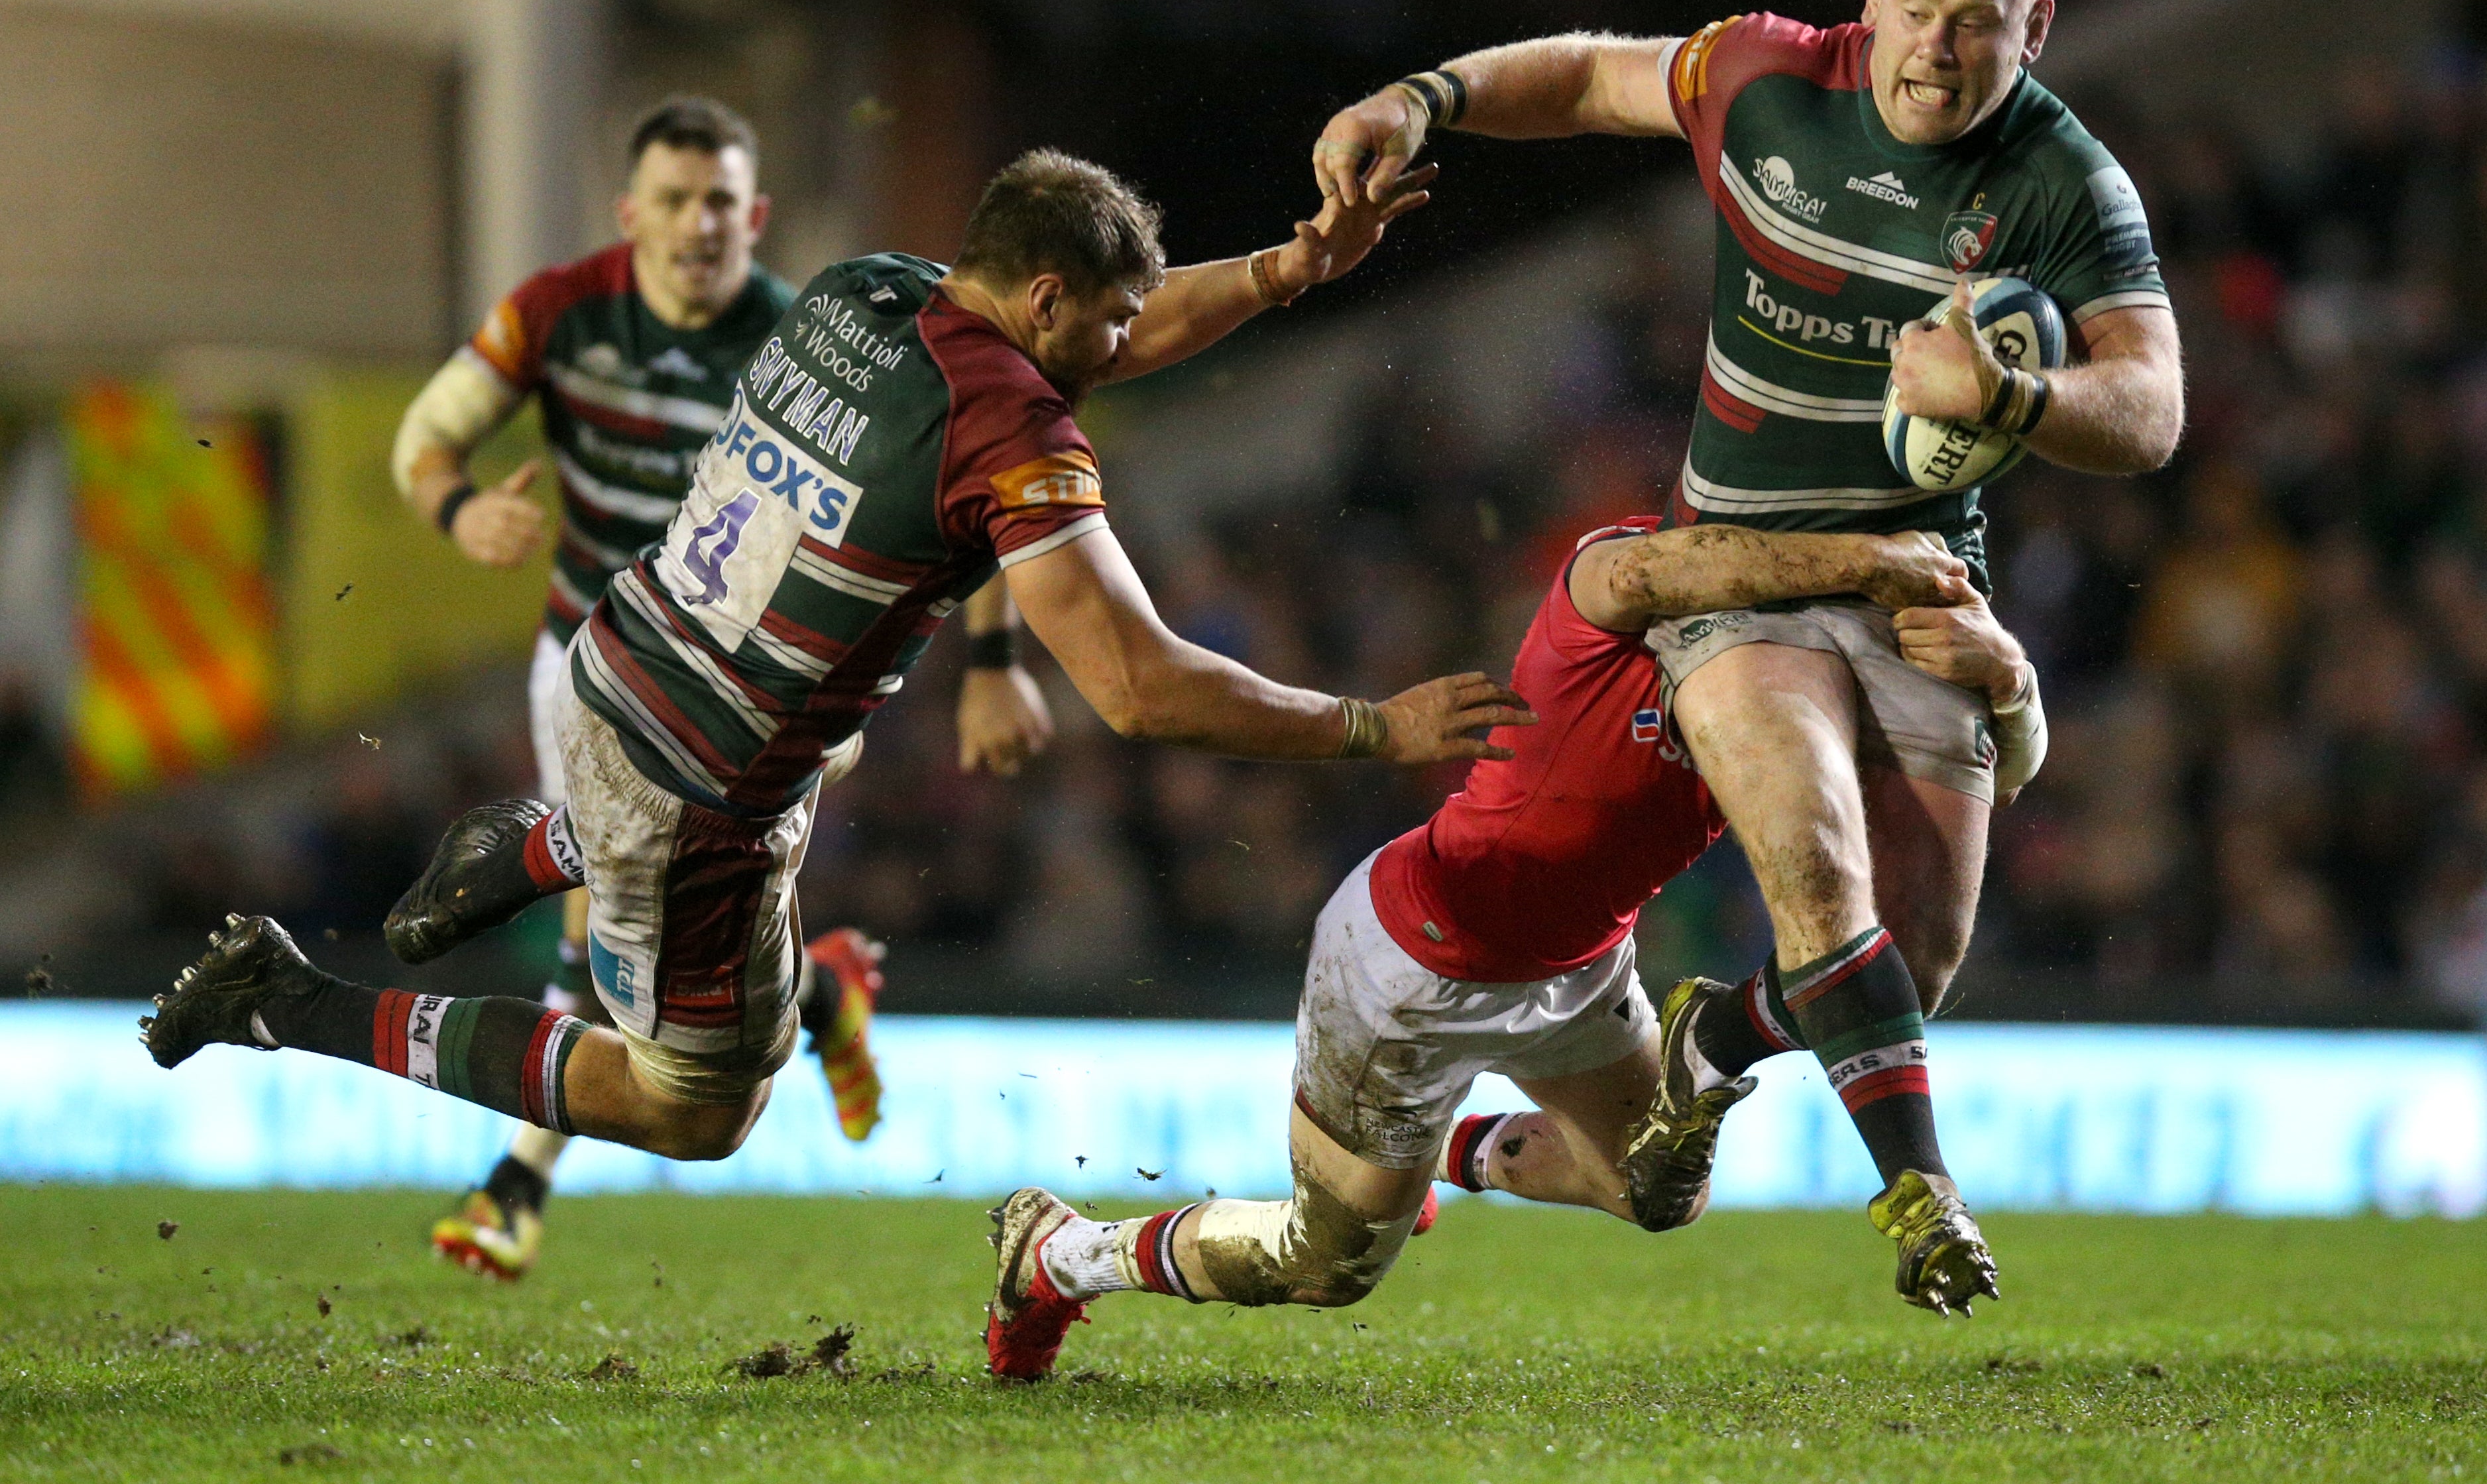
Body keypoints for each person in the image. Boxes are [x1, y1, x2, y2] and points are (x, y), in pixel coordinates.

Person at [144, 149, 1523, 1178]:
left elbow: (1091, 347)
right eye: (1106, 324)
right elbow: (1135, 683)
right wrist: (1370, 730)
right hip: (691, 789)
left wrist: (1286, 272)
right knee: (697, 1105)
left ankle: (556, 842)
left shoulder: (868, 291)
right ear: (1046, 298)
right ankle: (291, 997)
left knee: (812, 740)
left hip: (628, 662)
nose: (1119, 354)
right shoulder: (1015, 429)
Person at [1308, 0, 2183, 1304]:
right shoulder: (1770, 78)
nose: (1938, 53)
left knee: (1910, 961)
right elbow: (1596, 76)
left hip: (1913, 590)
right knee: (1818, 872)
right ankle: (1925, 1199)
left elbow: (2149, 408)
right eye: (1917, 13)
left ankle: (1713, 1040)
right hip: (1739, 573)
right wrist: (1429, 97)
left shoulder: (2065, 183)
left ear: (2037, 29)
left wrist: (2015, 391)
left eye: (1978, 26)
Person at [985, 518, 2046, 1379]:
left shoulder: (1806, 675)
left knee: (1659, 1193)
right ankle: (1061, 1253)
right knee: (1325, 1267)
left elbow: (1975, 788)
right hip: (1415, 962)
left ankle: (1450, 1147)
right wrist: (1871, 559)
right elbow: (1669, 562)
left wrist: (2014, 687)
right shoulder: (1625, 575)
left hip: (1582, 974)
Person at [387, 96, 1039, 1280]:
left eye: (722, 202)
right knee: (644, 926)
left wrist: (993, 665)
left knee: (615, 930)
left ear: (758, 215)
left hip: (767, 680)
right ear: (631, 213)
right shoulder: (559, 312)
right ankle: (820, 996)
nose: (700, 224)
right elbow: (424, 438)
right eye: (677, 202)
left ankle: (515, 1184)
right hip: (599, 663)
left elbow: (973, 487)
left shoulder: (813, 337)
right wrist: (458, 503)